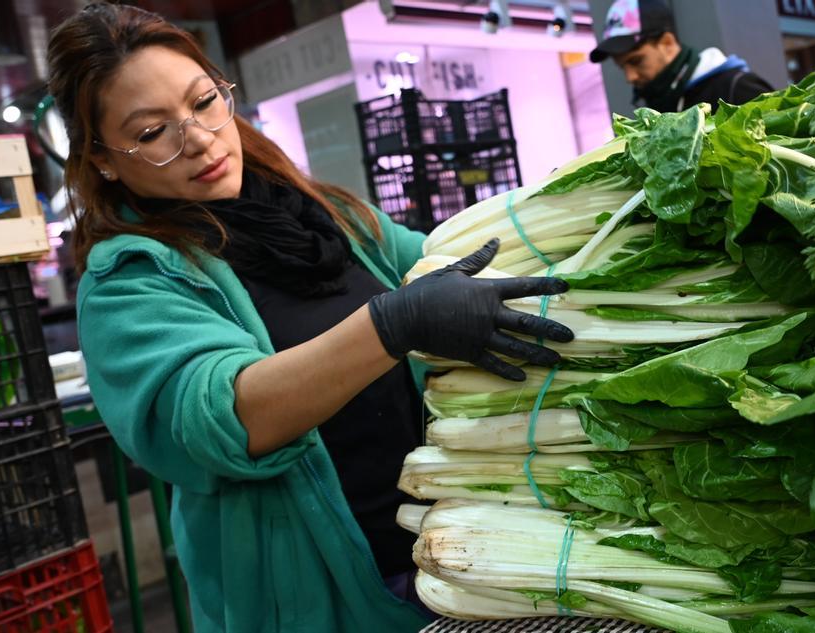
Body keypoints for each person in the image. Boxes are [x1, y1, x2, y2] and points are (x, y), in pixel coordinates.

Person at [46, 4, 572, 632]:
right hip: (315, 599)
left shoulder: (324, 216)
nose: (202, 138)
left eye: (205, 101)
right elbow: (219, 418)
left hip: (456, 561)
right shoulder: (131, 281)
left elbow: (447, 259)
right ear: (104, 159)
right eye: (154, 133)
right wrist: (392, 327)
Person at [590, 0, 774, 113]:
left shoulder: (738, 88)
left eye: (636, 61)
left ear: (668, 43)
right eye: (622, 67)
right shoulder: (659, 102)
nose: (630, 77)